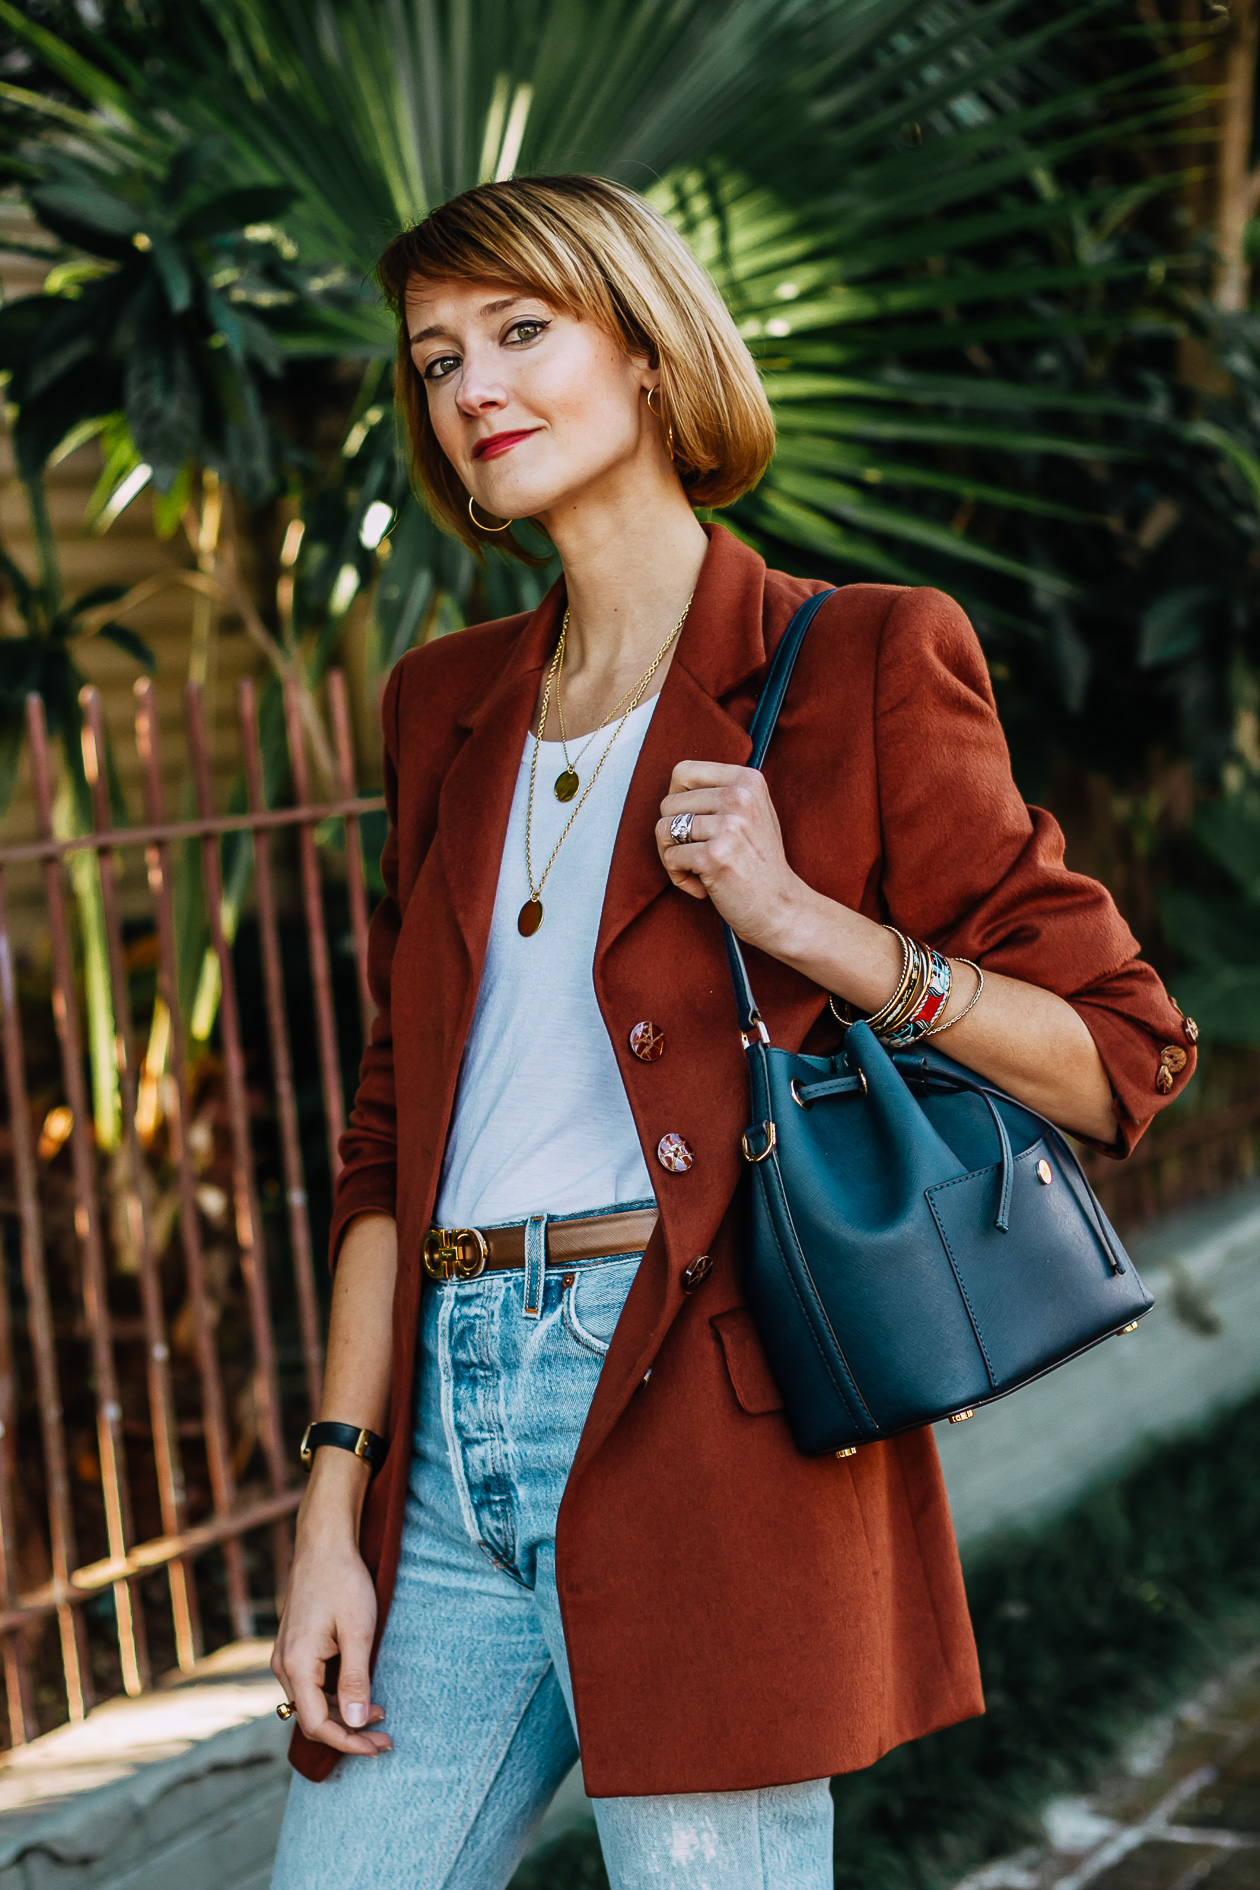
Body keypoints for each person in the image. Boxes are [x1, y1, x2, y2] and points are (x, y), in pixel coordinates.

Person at [268, 174, 1196, 1890]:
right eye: (436, 358)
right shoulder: (442, 706)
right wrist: (335, 1504)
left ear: (643, 349)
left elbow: (1121, 1053)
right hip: (446, 1441)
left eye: (522, 330)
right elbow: (390, 1138)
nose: (471, 387)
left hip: (704, 1419)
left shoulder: (857, 661)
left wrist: (808, 927)